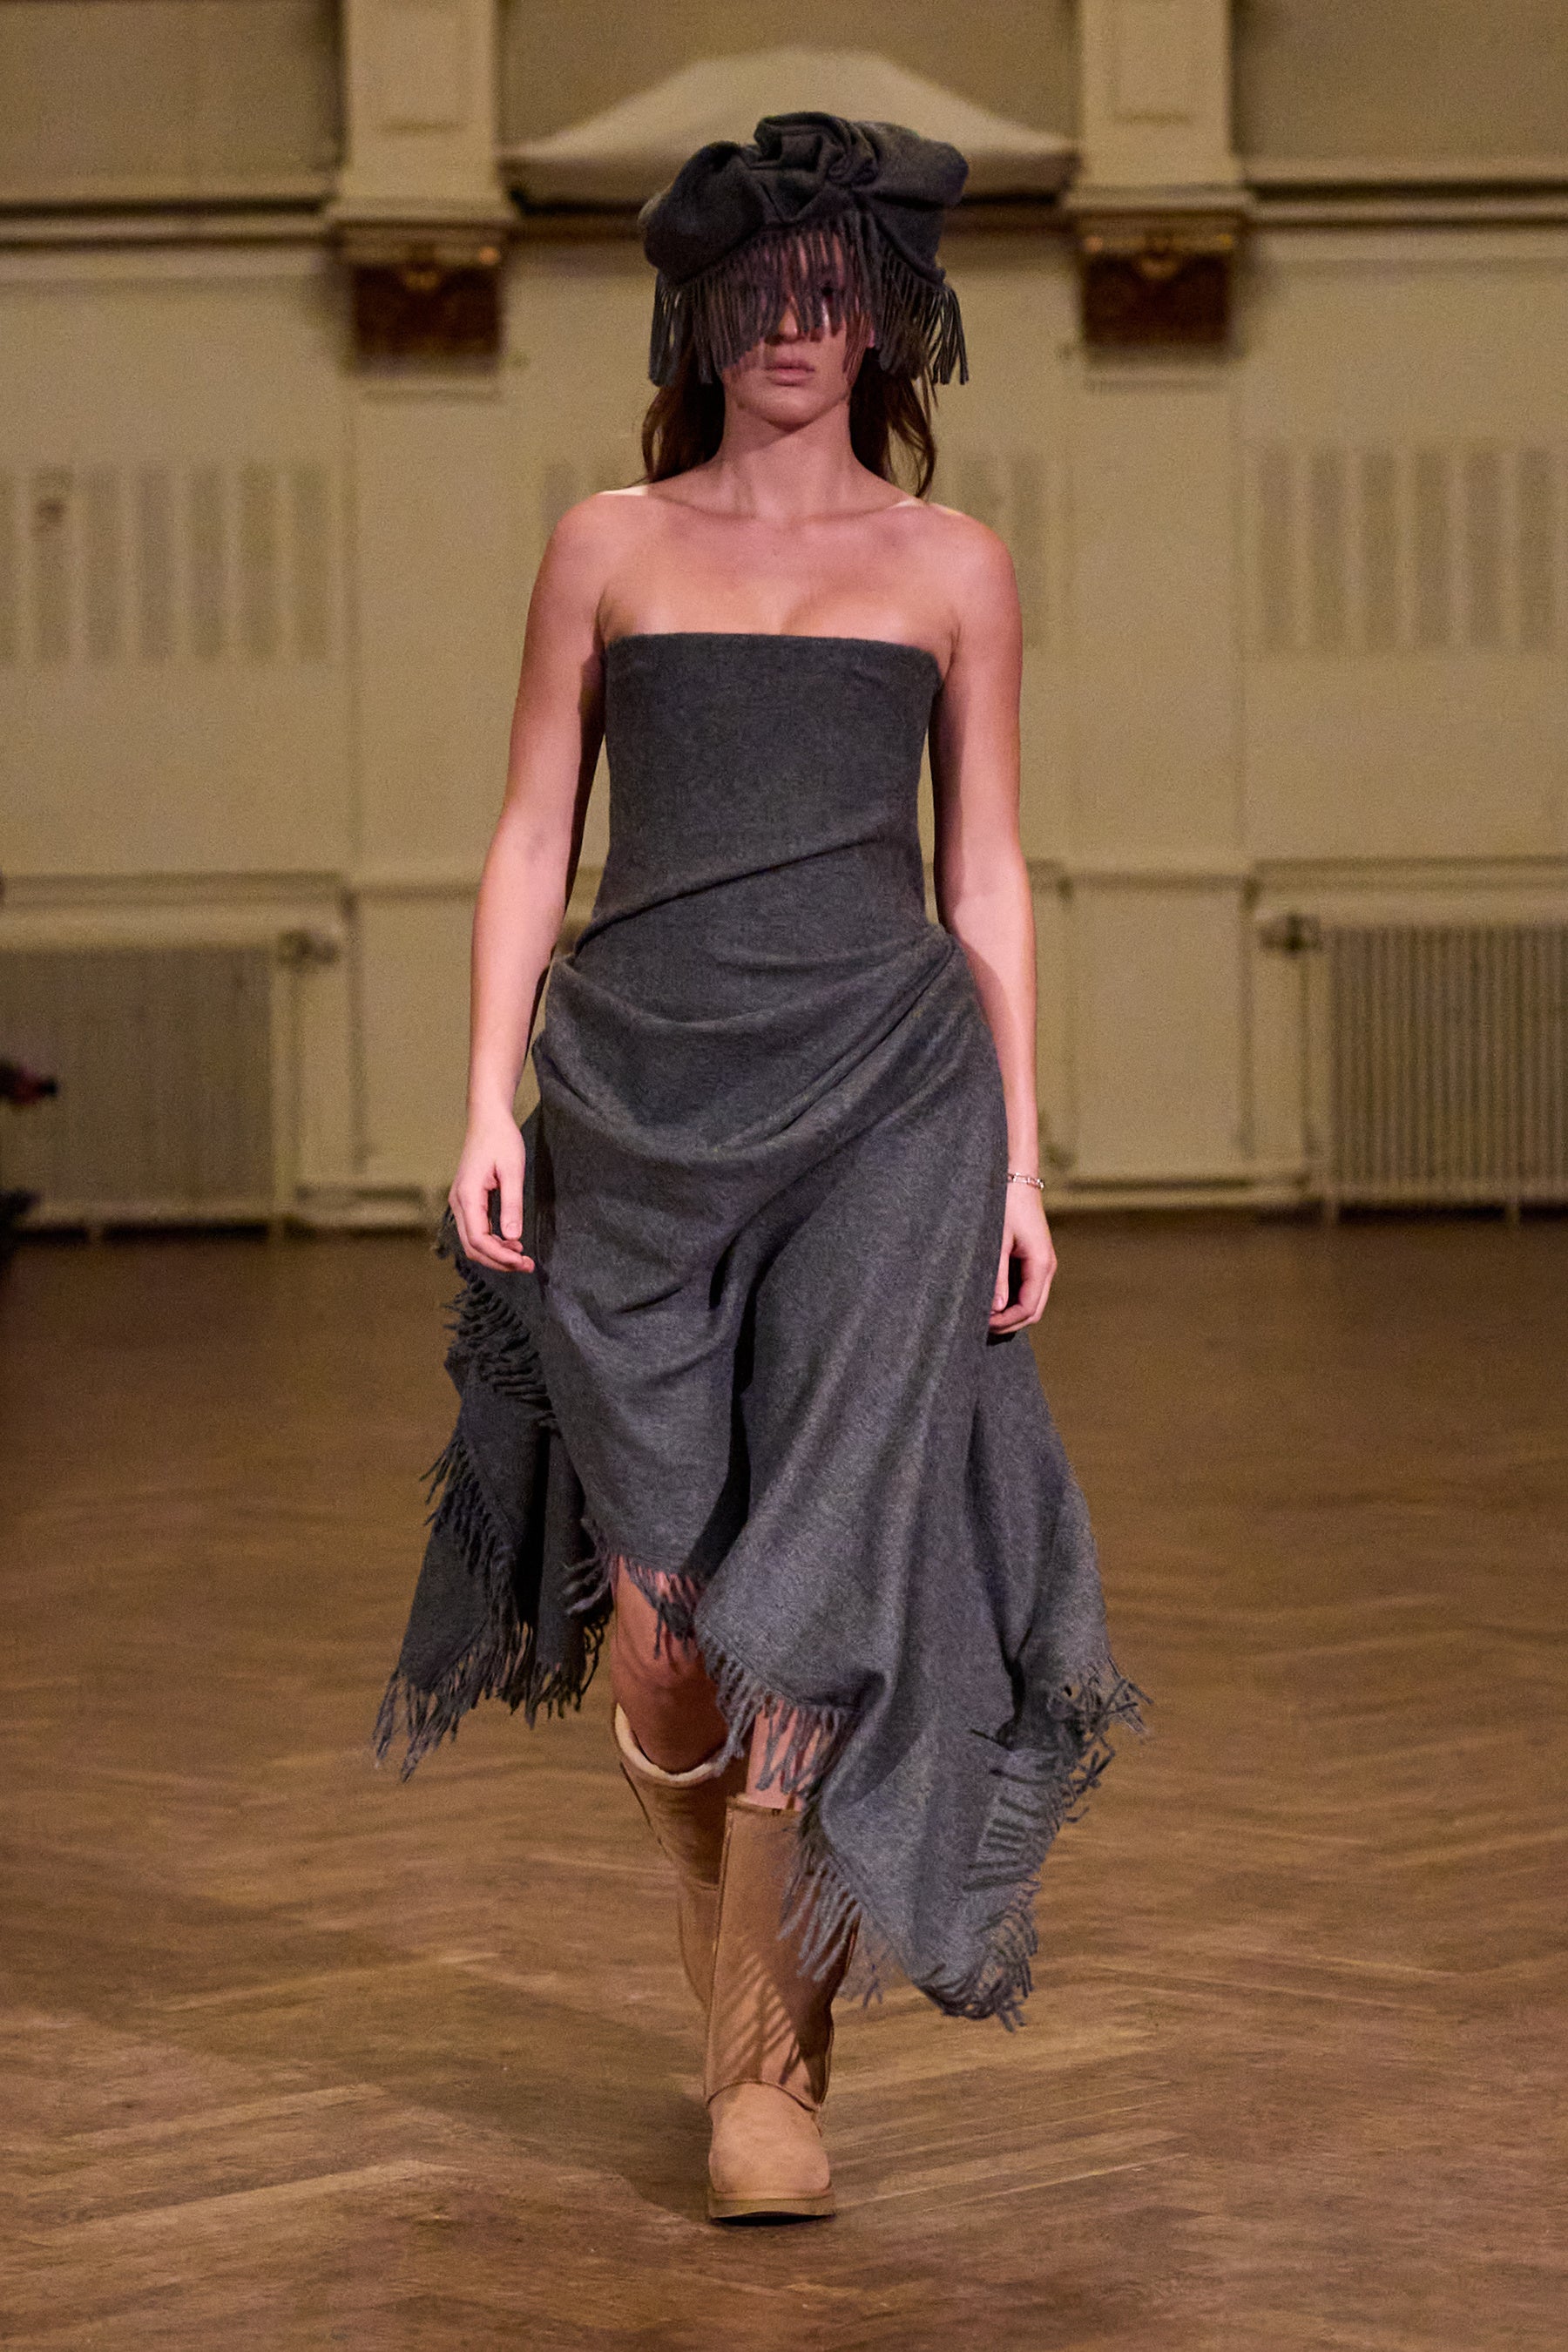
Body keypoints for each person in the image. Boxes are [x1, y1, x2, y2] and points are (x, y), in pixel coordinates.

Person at [375, 111, 1142, 2226]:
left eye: (833, 293)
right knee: (667, 1632)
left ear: (888, 320)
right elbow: (531, 834)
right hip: (637, 1099)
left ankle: (764, 2088)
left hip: (894, 1100)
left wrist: (1019, 1159)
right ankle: (747, 1995)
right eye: (760, 293)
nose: (796, 329)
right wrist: (482, 1103)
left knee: (812, 1585)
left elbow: (986, 877)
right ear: (699, 316)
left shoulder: (954, 565)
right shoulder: (604, 546)